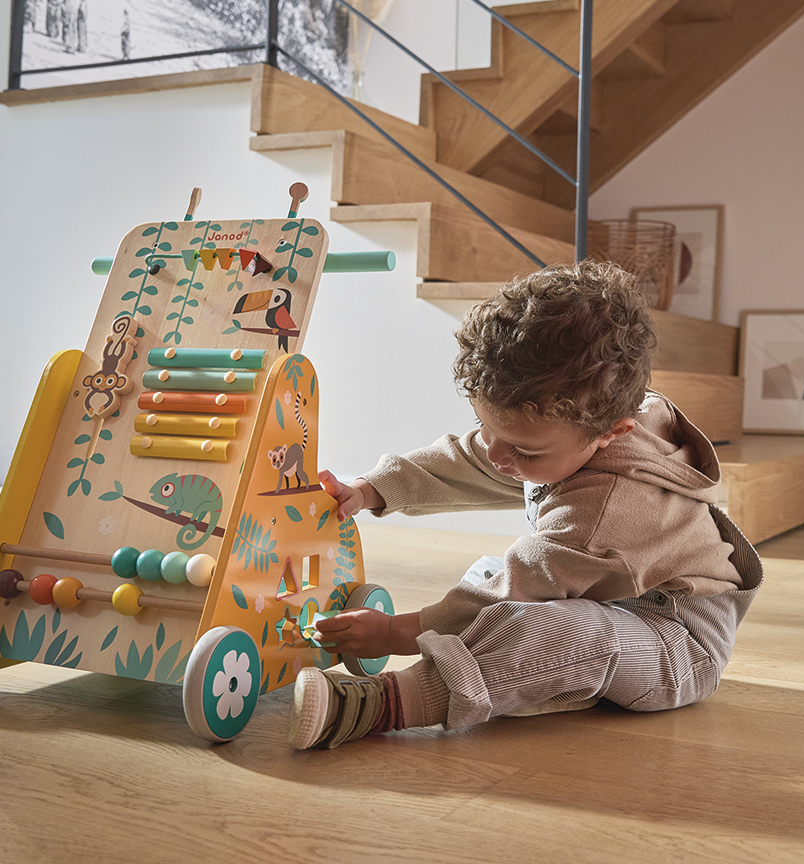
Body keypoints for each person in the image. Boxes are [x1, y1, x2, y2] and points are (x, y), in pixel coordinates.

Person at [287, 260, 763, 749]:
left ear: (611, 433)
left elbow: (514, 591)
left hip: (676, 644)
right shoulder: (576, 423)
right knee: (487, 578)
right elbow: (467, 461)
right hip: (612, 593)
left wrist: (395, 633)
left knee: (535, 621)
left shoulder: (601, 512)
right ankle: (501, 669)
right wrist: (370, 488)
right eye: (488, 427)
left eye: (523, 451)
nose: (496, 453)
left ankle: (393, 701)